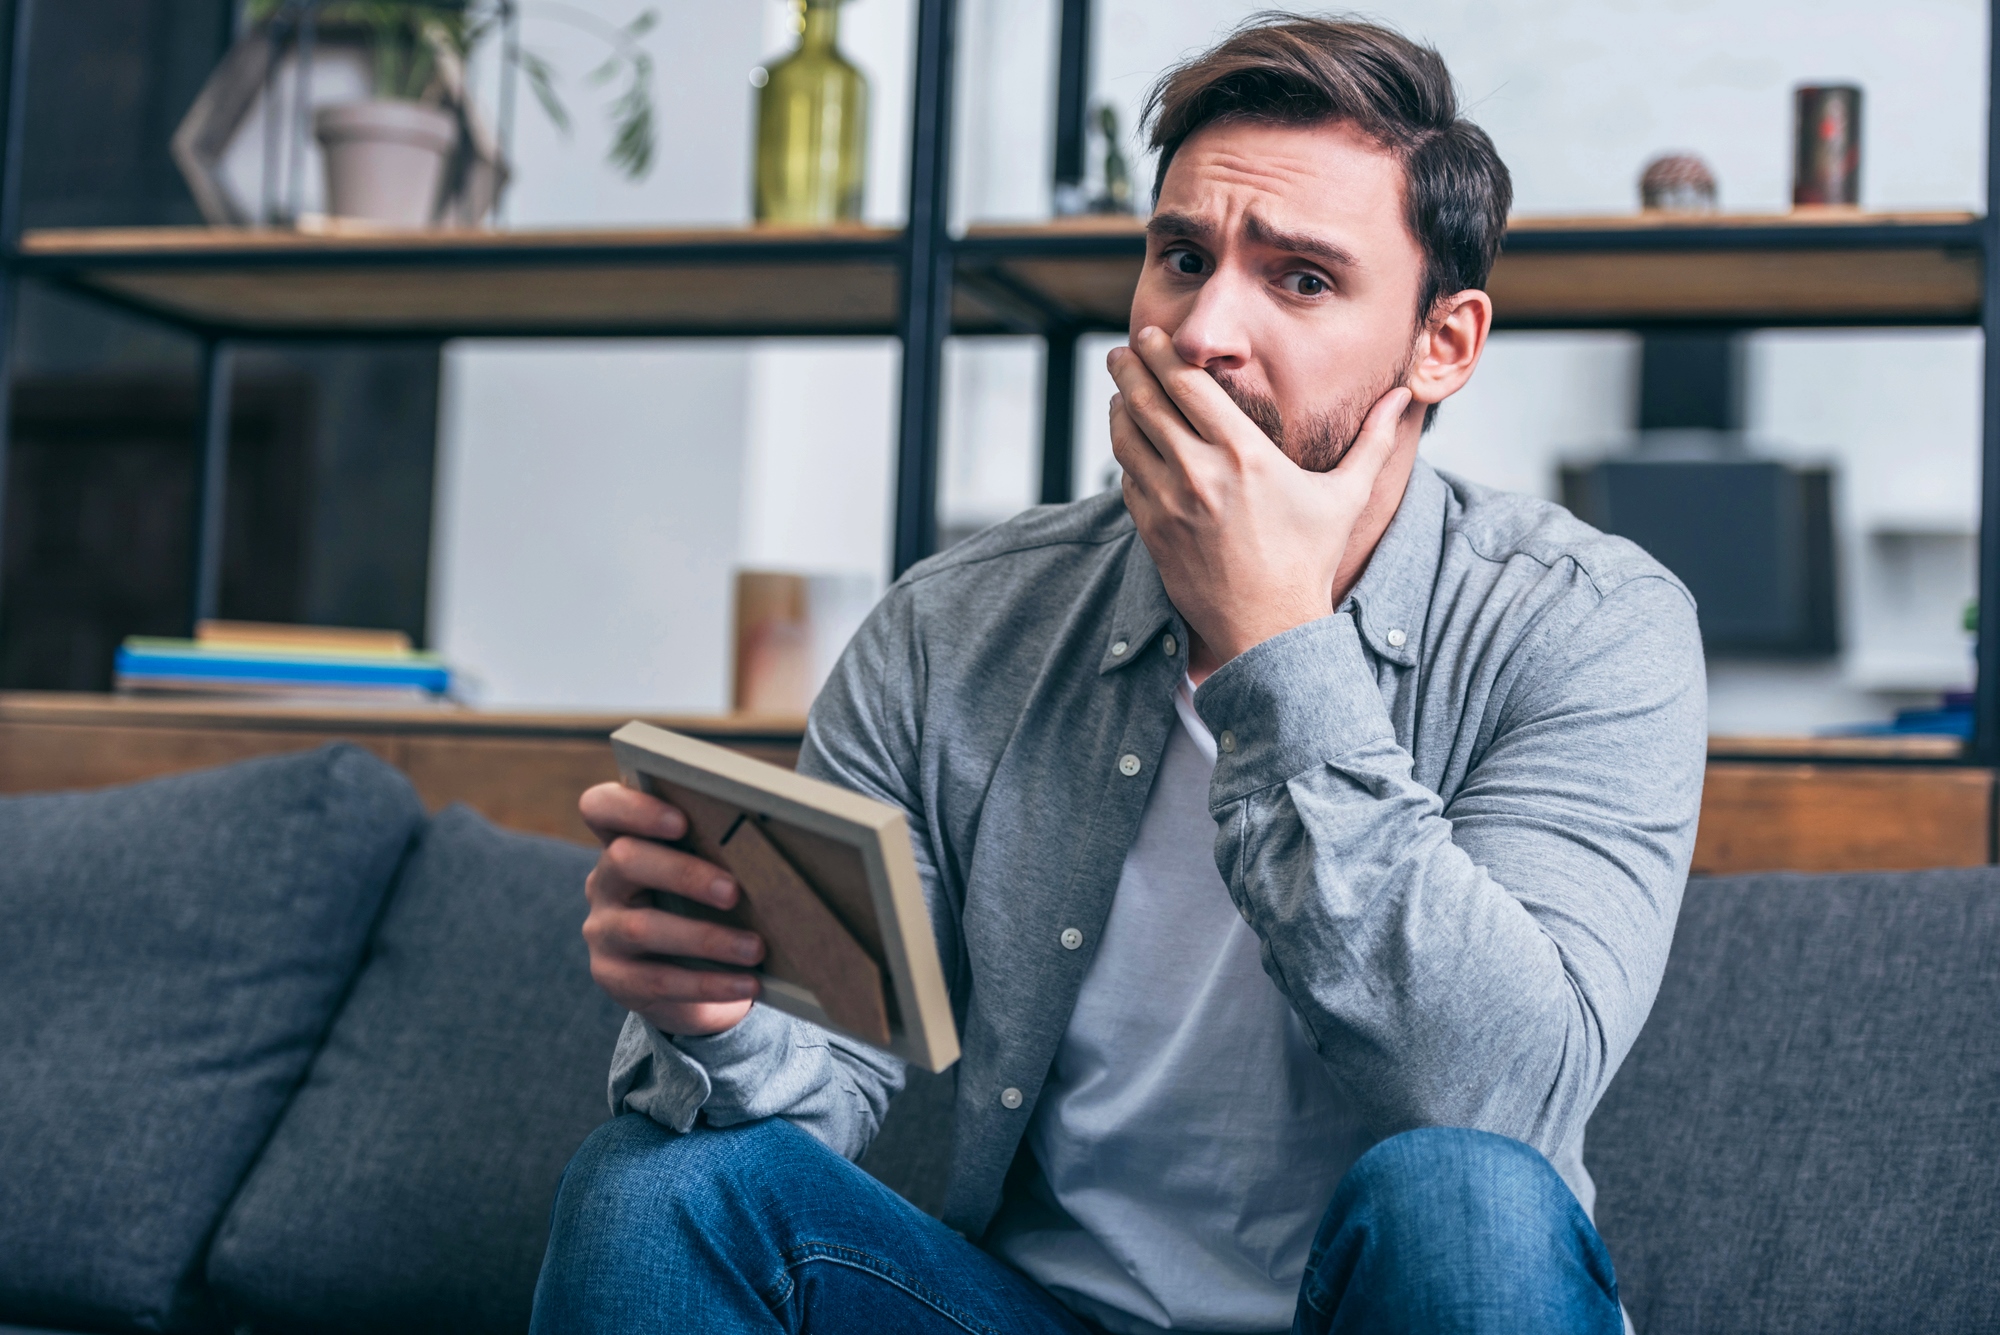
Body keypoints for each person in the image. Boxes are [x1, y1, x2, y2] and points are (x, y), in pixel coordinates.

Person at [533, 14, 1704, 1335]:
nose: (1204, 330)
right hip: (1031, 1314)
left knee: (1471, 1198)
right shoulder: (958, 624)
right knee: (662, 1190)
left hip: (1398, 1302)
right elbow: (827, 1084)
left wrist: (1276, 641)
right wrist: (722, 1018)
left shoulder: (1592, 627)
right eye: (1183, 257)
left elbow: (1499, 1099)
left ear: (1445, 344)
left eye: (1302, 280)